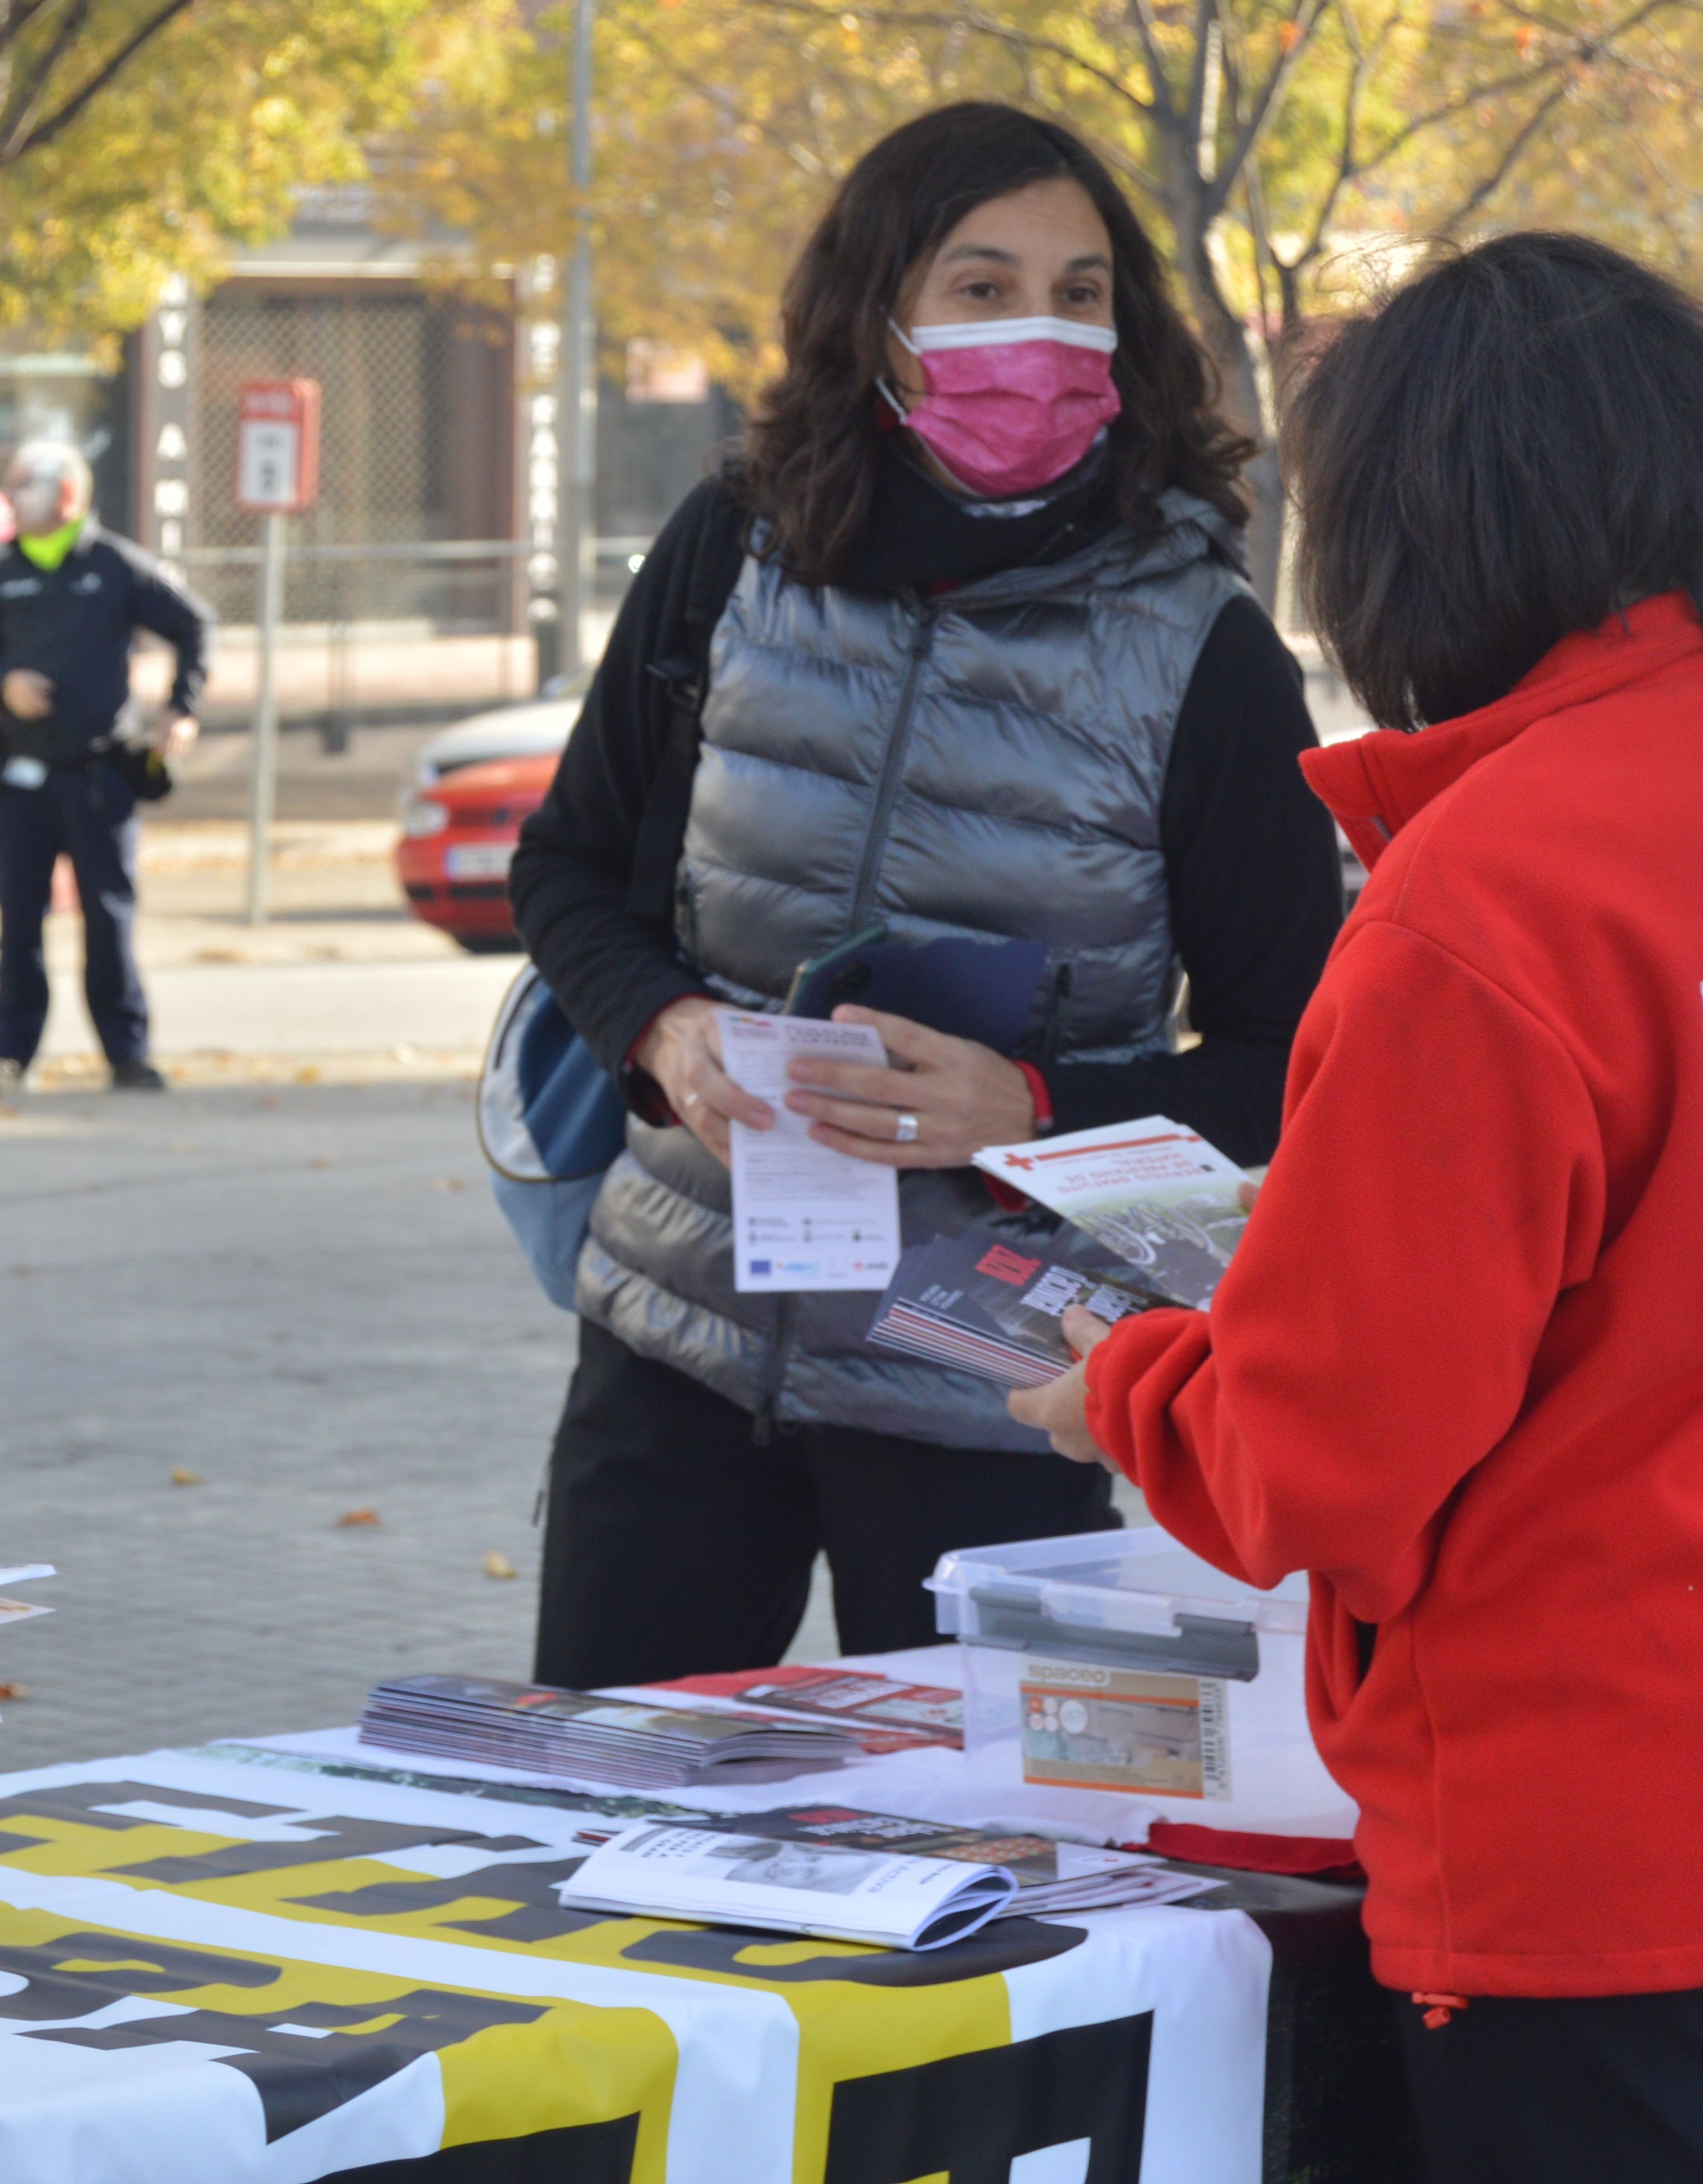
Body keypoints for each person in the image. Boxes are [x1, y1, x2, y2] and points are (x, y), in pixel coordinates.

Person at [1012, 235, 1703, 2184]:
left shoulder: (1482, 897)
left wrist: (1133, 1388)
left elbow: (1326, 1457)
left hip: (1623, 1846)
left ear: (1416, 541)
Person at [509, 100, 1342, 1692]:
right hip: (677, 1348)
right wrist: (665, 1030)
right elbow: (564, 865)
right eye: (980, 286)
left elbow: (1292, 1068)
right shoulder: (732, 548)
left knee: (984, 1882)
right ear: (878, 314)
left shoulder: (1205, 652)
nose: (1036, 329)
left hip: (1000, 1388)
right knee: (618, 1842)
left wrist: (1027, 1102)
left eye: (1079, 290)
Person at [0, 441, 209, 1091]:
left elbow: (194, 624)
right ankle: (11, 1054)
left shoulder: (115, 566)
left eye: (24, 487)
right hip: (23, 780)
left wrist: (181, 707)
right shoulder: (1, 576)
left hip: (100, 778)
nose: (12, 499)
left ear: (66, 495)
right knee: (18, 920)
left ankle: (127, 1054)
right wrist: (4, 682)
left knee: (108, 918)